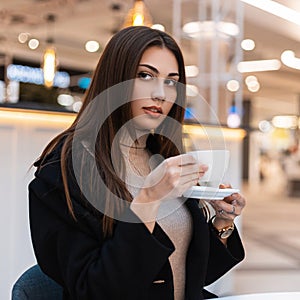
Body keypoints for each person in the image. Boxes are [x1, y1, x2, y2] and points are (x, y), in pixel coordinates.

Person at [29, 26, 246, 300]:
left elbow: (187, 273)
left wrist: (222, 223)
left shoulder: (163, 156)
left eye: (171, 81)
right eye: (145, 75)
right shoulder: (65, 170)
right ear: (114, 80)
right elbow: (95, 290)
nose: (161, 94)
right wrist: (147, 200)